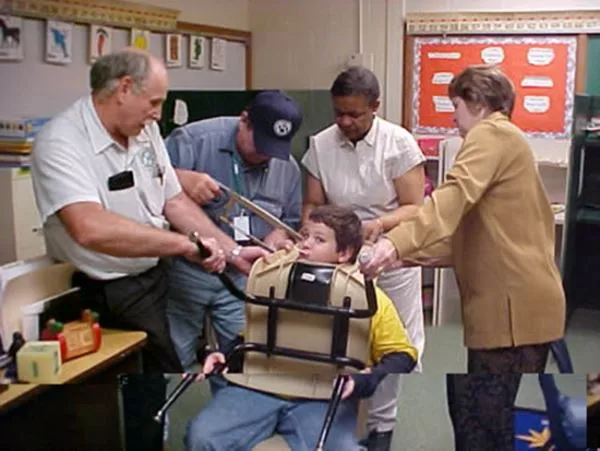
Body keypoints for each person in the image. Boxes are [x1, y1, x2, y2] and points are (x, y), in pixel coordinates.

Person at [360, 64, 566, 450]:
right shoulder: (506, 140)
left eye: (455, 105)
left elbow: (453, 195)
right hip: (516, 307)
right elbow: (475, 238)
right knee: (476, 413)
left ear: (478, 103)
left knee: (482, 423)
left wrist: (394, 243)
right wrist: (405, 257)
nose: (453, 117)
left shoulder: (491, 133)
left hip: (513, 313)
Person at [30, 48, 266, 374]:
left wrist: (232, 251)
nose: (158, 114)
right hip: (101, 292)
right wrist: (184, 245)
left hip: (152, 280)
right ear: (124, 88)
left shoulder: (143, 130)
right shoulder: (61, 142)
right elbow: (89, 227)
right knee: (137, 383)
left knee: (163, 377)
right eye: (154, 102)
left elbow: (174, 201)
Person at [184, 205, 418, 451]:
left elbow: (404, 355)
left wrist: (366, 379)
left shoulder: (368, 299)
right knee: (202, 438)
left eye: (319, 239)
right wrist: (224, 354)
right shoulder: (273, 281)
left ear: (344, 252)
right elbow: (253, 336)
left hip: (323, 395)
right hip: (259, 386)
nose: (305, 244)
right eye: (304, 235)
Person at [301, 66, 425, 450]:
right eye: (338, 112)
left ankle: (381, 428)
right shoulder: (321, 144)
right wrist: (311, 237)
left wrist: (379, 224)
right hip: (339, 258)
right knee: (338, 340)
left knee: (390, 348)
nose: (344, 122)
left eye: (354, 114)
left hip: (388, 253)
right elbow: (312, 204)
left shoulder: (399, 144)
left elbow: (415, 207)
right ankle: (336, 419)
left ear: (375, 106)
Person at [163, 90, 303, 370]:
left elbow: (289, 221)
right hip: (185, 275)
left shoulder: (288, 169)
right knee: (172, 358)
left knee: (245, 360)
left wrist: (276, 238)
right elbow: (146, 184)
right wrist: (179, 178)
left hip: (243, 279)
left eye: (274, 148)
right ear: (244, 120)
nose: (265, 155)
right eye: (260, 144)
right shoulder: (192, 142)